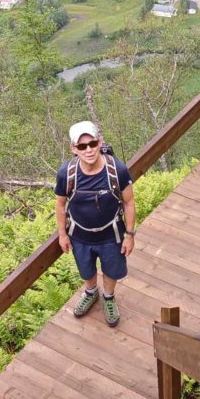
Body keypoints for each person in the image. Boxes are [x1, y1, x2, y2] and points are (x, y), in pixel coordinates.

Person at [55, 121, 136, 327]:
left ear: (99, 142)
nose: (88, 150)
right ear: (73, 149)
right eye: (82, 146)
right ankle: (91, 293)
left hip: (111, 234)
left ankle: (108, 297)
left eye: (92, 144)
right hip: (80, 235)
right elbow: (60, 204)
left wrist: (130, 235)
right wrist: (62, 235)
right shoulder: (67, 173)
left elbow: (128, 201)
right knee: (86, 268)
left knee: (112, 268)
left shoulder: (117, 170)